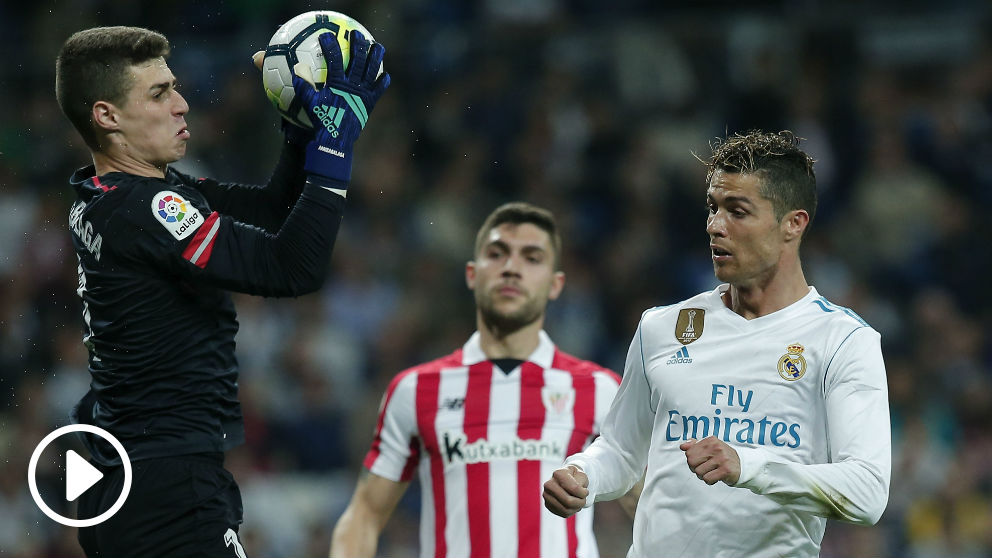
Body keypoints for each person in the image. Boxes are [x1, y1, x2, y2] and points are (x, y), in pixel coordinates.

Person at [55, 25, 389, 557]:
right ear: (106, 116)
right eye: (159, 94)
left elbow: (274, 212)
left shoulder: (107, 195)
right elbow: (292, 268)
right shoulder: (147, 210)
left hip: (135, 479)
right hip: (168, 490)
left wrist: (302, 132)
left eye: (175, 88)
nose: (182, 105)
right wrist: (334, 150)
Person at [543, 130, 891, 557]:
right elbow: (620, 450)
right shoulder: (663, 327)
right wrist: (584, 474)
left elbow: (867, 493)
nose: (715, 226)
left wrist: (749, 468)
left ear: (793, 224)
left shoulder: (843, 341)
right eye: (712, 208)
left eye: (737, 211)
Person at [330, 202, 638, 558]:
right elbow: (364, 516)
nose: (511, 268)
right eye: (497, 254)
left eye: (532, 258)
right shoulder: (415, 391)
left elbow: (649, 506)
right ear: (472, 274)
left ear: (555, 285)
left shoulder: (600, 388)